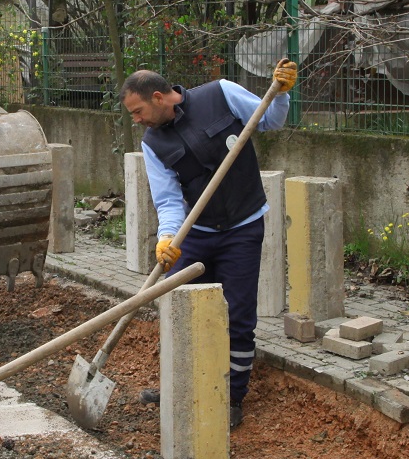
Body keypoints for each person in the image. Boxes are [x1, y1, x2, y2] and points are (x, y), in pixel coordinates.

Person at [121, 59, 297, 428]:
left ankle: (231, 397)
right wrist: (168, 237)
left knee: (238, 316)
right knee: (183, 312)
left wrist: (280, 94)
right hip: (196, 232)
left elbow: (270, 120)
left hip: (243, 226)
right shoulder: (153, 142)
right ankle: (181, 385)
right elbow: (168, 200)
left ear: (157, 97)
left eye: (138, 111)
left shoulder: (220, 94)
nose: (136, 119)